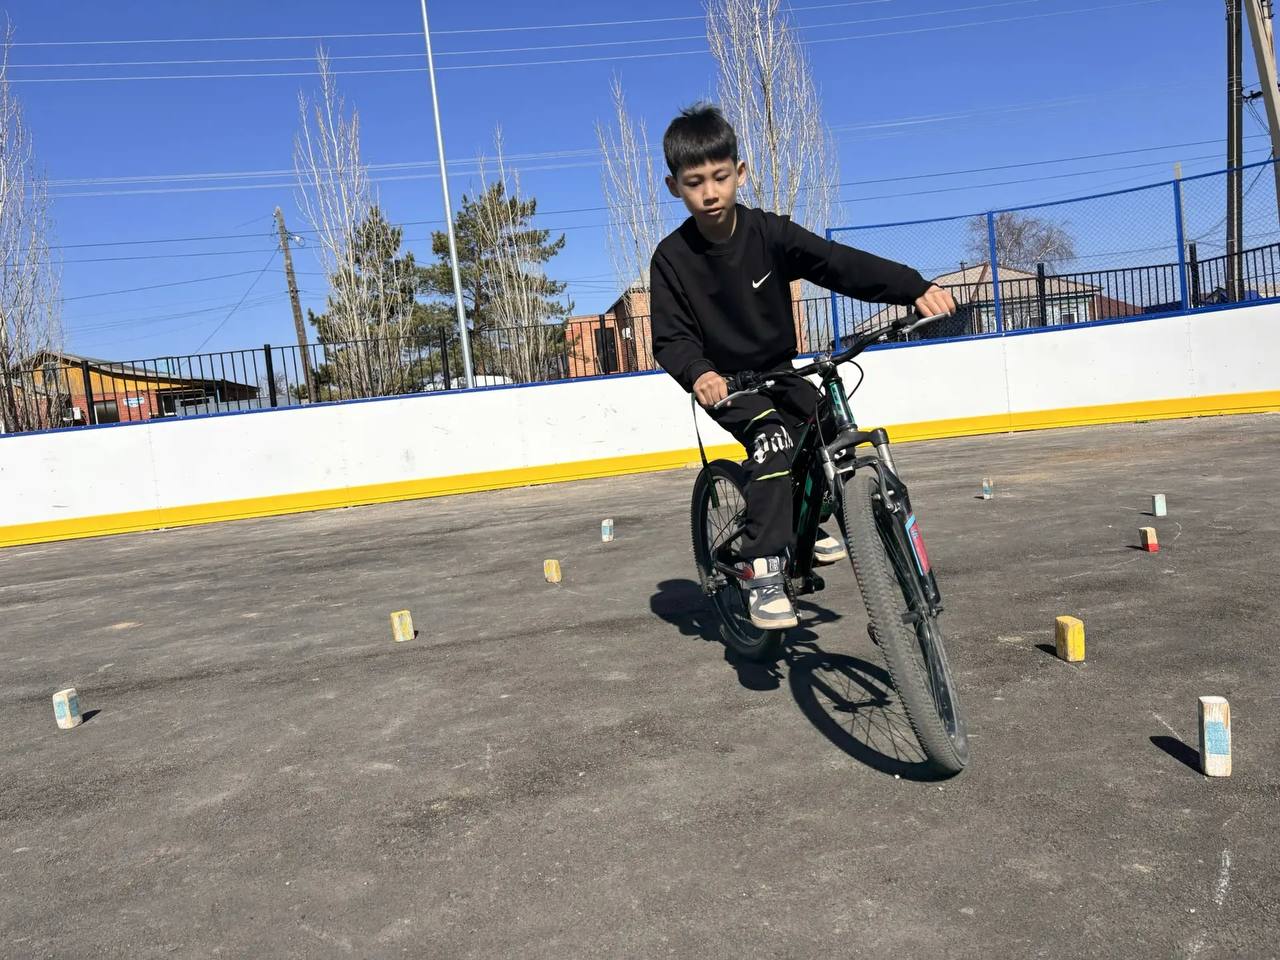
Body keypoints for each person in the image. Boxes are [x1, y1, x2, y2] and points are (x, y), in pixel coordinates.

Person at [650, 104, 956, 631]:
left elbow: (837, 264)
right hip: (728, 385)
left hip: (779, 370)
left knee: (825, 425)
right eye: (694, 182)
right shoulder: (671, 259)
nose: (710, 192)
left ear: (739, 173)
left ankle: (801, 520)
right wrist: (699, 373)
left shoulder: (770, 234)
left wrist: (914, 286)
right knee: (772, 436)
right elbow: (671, 336)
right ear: (674, 186)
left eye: (721, 177)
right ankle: (761, 569)